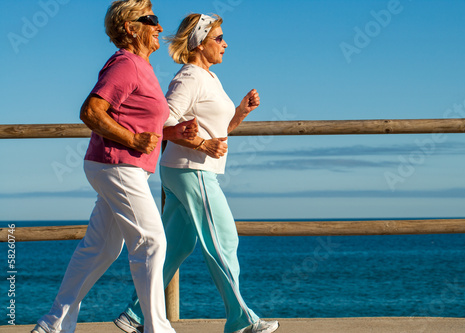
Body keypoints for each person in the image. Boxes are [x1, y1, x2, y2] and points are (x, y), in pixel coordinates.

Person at [31, 1, 198, 333]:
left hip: (117, 166)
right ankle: (157, 328)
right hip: (117, 165)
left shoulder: (141, 66)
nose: (160, 28)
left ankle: (53, 324)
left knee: (101, 248)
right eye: (152, 20)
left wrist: (169, 132)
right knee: (152, 241)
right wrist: (133, 141)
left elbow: (134, 120)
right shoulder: (125, 64)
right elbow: (91, 111)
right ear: (130, 27)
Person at [114, 13, 280, 333]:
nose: (225, 43)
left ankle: (135, 314)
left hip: (189, 171)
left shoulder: (209, 78)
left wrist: (241, 112)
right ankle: (240, 320)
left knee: (177, 247)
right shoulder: (189, 76)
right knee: (223, 240)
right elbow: (162, 122)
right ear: (200, 43)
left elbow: (216, 130)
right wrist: (202, 145)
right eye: (218, 38)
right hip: (191, 171)